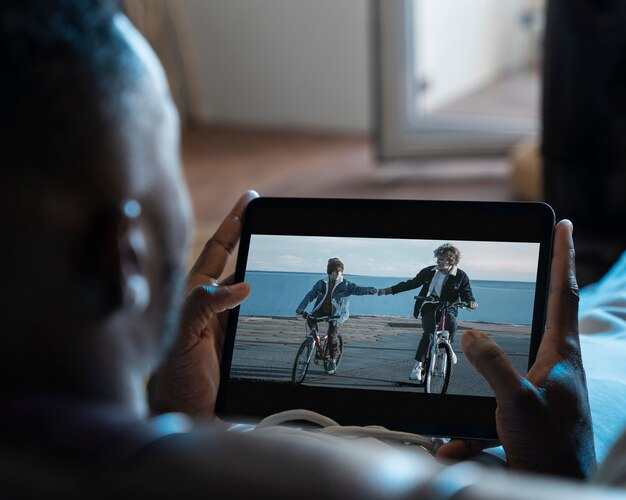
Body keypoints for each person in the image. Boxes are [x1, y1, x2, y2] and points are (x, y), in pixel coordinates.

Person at [2, 1, 623, 497]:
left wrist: (180, 420)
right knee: (602, 315)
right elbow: (402, 287)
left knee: (601, 301)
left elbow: (389, 288)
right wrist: (561, 473)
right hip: (459, 357)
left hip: (415, 322)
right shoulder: (376, 486)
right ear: (126, 255)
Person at [378, 244, 478, 381]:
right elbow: (411, 284)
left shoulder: (461, 276)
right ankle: (417, 367)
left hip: (449, 307)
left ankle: (448, 346)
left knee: (452, 324)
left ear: (451, 261)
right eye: (438, 258)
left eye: (442, 259)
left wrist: (470, 302)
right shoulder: (429, 271)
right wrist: (387, 291)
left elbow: (467, 294)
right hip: (429, 305)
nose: (438, 262)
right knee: (428, 335)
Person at [295, 258, 377, 374]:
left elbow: (357, 289)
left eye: (340, 272)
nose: (338, 274)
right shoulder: (321, 283)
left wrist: (369, 290)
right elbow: (311, 295)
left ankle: (333, 360)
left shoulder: (346, 284)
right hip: (322, 310)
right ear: (329, 273)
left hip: (337, 314)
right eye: (335, 272)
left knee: (332, 336)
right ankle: (315, 338)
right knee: (310, 318)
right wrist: (301, 307)